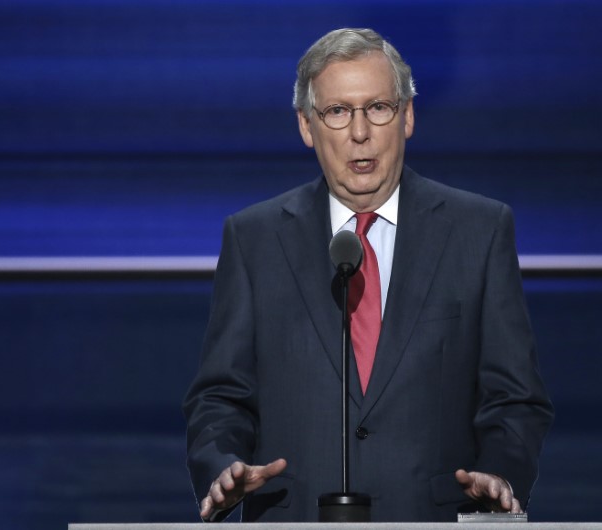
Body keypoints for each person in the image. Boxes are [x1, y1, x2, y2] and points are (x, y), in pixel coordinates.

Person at [182, 27, 554, 522]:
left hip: (433, 520)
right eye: (337, 112)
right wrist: (221, 467)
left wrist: (501, 474)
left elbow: (515, 397)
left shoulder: (479, 230)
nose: (360, 132)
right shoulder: (254, 238)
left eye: (378, 108)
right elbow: (219, 397)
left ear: (408, 117)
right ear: (306, 126)